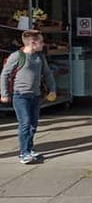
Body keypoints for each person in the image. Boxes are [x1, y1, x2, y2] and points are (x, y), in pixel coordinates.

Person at [0, 30, 56, 164]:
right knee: (24, 123)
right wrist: (4, 94)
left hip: (35, 96)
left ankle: (30, 149)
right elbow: (4, 75)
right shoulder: (17, 56)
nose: (43, 44)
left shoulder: (40, 57)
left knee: (33, 124)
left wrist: (52, 89)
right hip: (20, 96)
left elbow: (47, 74)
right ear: (33, 42)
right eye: (41, 41)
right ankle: (23, 153)